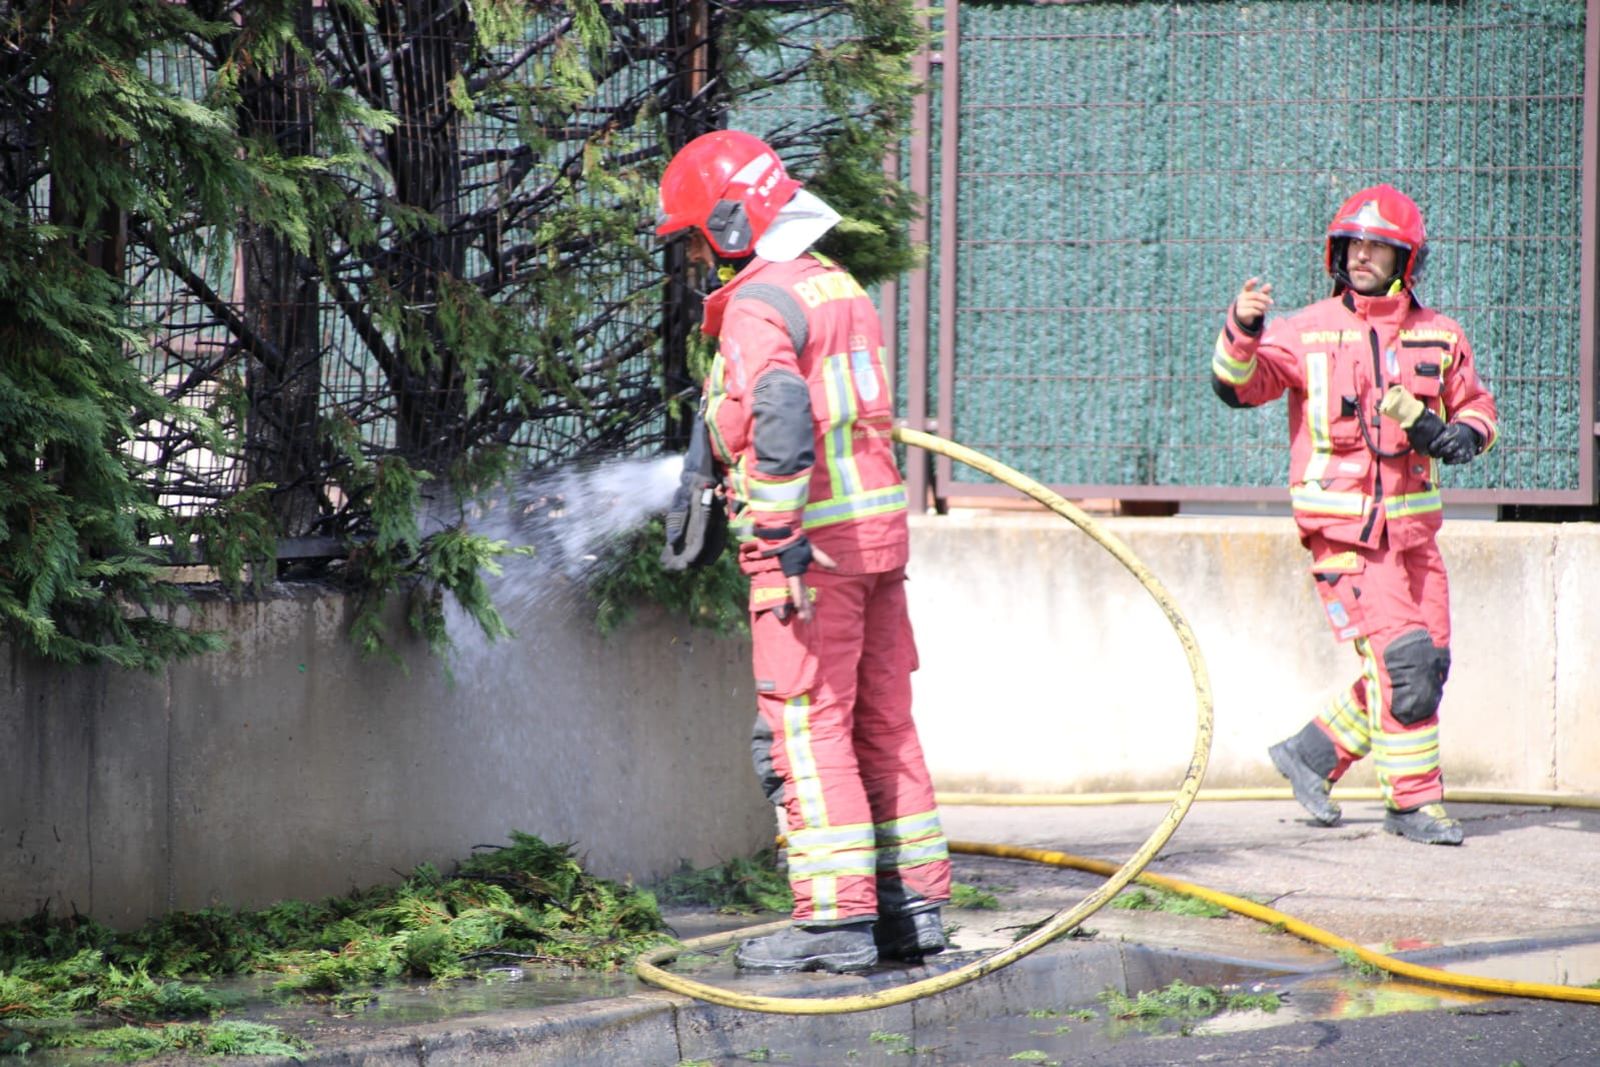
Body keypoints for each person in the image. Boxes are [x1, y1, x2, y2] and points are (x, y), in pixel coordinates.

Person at [656, 129, 951, 972]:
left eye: (695, 241)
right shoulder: (834, 284)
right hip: (875, 546)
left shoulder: (758, 303)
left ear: (731, 222)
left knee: (807, 728)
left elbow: (781, 413)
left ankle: (833, 921)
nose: (695, 260)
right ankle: (912, 907)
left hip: (808, 558)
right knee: (881, 721)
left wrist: (778, 535)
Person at [1210, 184, 1499, 846]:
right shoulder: (1305, 329)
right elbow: (1238, 385)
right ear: (1336, 252)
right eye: (1354, 244)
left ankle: (1311, 754)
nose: (1363, 254)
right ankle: (1414, 804)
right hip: (1345, 539)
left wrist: (1468, 434)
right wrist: (1242, 328)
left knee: (1430, 666)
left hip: (1416, 538)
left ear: (1407, 260)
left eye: (1379, 246)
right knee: (1406, 663)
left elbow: (1478, 405)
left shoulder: (1440, 334)